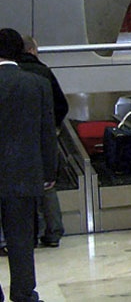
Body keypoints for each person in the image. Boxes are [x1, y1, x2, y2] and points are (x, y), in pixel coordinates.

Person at [0, 28, 56, 302]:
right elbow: (47, 131)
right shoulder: (36, 84)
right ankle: (23, 293)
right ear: (20, 52)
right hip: (23, 173)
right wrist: (49, 171)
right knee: (21, 238)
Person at [18, 34, 68, 248]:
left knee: (23, 187)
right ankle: (54, 231)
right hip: (44, 136)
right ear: (32, 50)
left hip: (18, 140)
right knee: (48, 185)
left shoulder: (12, 74)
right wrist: (53, 126)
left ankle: (31, 232)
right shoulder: (43, 72)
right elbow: (61, 104)